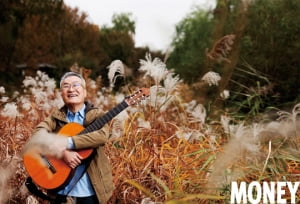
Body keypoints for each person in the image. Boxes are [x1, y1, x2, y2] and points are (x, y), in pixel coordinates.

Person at [32, 72, 115, 204]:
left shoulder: (97, 115)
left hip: (90, 192)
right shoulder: (56, 117)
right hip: (60, 190)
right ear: (61, 93)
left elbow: (102, 136)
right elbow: (38, 134)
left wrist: (68, 143)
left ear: (84, 92)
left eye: (76, 85)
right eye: (66, 86)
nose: (71, 89)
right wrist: (62, 152)